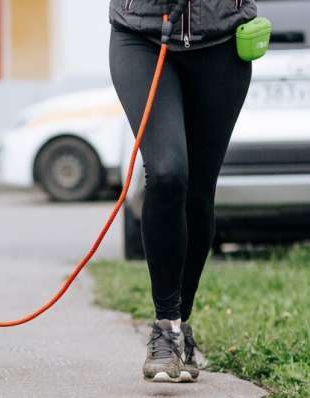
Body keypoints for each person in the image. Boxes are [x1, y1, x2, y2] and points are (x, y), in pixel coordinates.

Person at [108, 0, 257, 382]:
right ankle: (165, 326)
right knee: (167, 172)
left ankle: (179, 326)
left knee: (198, 189)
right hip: (141, 35)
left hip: (222, 43)